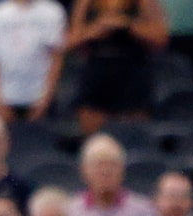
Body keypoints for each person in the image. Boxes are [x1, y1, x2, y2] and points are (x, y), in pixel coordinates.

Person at [67, 0, 165, 132]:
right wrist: (97, 29)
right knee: (94, 140)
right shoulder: (84, 3)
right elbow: (71, 41)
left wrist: (126, 25)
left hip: (133, 73)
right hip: (97, 73)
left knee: (135, 138)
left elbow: (160, 38)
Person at [0, 0, 70, 120]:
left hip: (41, 99)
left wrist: (45, 101)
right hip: (5, 98)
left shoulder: (52, 12)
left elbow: (56, 58)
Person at [71, 136, 155, 216]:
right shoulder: (69, 212)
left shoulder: (144, 211)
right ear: (84, 171)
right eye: (98, 165)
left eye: (112, 165)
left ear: (122, 170)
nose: (105, 171)